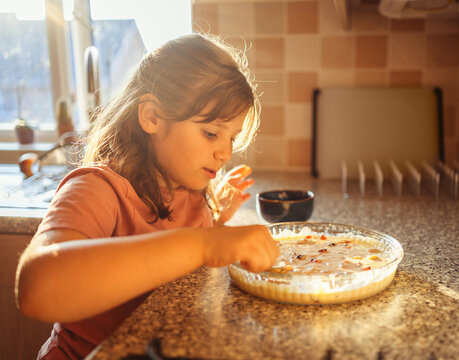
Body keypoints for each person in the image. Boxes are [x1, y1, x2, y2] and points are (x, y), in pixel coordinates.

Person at [15, 33, 280, 360]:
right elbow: (38, 289)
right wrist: (205, 244)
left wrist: (216, 219)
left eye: (232, 137)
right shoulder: (98, 188)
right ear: (151, 117)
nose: (225, 153)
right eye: (211, 133)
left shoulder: (188, 190)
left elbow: (170, 247)